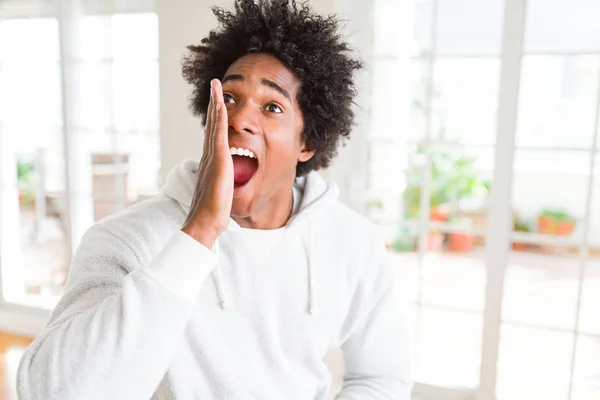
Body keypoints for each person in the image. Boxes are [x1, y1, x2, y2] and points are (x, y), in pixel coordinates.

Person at [17, 0, 411, 398]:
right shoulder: (125, 240)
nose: (239, 119)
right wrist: (200, 231)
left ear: (306, 142)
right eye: (229, 99)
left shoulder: (352, 242)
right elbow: (53, 392)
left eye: (272, 106)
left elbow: (382, 378)